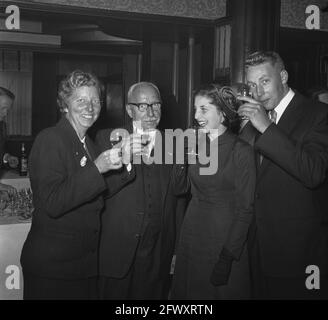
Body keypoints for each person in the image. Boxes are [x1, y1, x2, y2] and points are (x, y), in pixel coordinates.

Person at [20, 70, 123, 300]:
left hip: (81, 265)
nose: (90, 107)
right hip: (53, 270)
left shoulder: (88, 142)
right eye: (81, 100)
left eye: (95, 101)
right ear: (65, 105)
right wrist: (98, 167)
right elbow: (53, 202)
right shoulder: (50, 139)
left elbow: (98, 192)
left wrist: (126, 161)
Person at [238, 51, 328, 299]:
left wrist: (265, 126)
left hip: (298, 253)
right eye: (252, 85)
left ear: (284, 76)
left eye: (265, 81)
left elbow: (313, 172)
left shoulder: (318, 114)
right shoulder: (253, 119)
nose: (258, 91)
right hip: (256, 247)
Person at [96, 82, 185, 299]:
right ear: (129, 110)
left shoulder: (174, 144)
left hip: (157, 251)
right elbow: (99, 191)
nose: (152, 113)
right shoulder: (106, 138)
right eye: (143, 106)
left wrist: (176, 249)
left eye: (156, 105)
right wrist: (125, 161)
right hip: (118, 249)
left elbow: (179, 200)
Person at [170, 84, 256, 299]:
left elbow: (246, 209)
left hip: (223, 239)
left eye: (204, 109)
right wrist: (182, 156)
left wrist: (227, 257)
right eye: (195, 109)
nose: (196, 115)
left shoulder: (241, 150)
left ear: (222, 113)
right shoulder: (196, 144)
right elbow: (179, 189)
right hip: (192, 234)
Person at [0, 87, 19, 196]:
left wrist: (7, 157)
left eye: (8, 109)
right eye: (3, 108)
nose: (6, 113)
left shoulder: (1, 126)